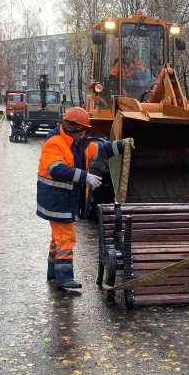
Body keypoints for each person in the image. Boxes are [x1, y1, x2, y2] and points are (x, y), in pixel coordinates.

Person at [37, 107, 134, 290]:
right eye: (82, 130)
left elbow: (101, 149)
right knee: (66, 238)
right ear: (73, 128)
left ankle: (53, 273)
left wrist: (122, 145)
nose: (85, 134)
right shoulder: (54, 144)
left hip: (64, 201)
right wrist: (85, 176)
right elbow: (55, 169)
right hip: (56, 201)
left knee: (57, 239)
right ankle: (64, 279)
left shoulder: (79, 144)